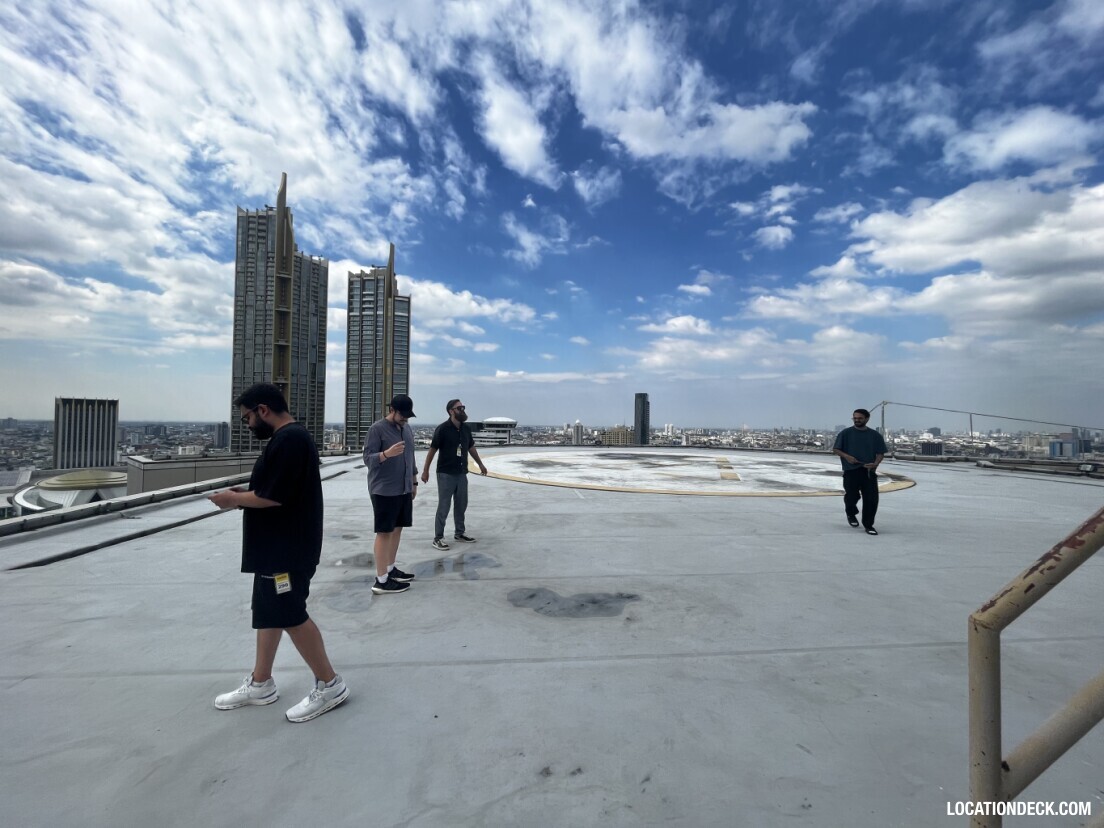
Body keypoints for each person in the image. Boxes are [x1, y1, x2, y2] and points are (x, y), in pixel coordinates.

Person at [209, 383, 349, 723]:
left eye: (246, 418)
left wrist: (233, 500)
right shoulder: (288, 440)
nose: (247, 425)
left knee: (289, 613)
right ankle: (261, 682)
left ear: (263, 410)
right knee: (268, 611)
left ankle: (329, 684)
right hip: (275, 548)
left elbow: (276, 498)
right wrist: (248, 492)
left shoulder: (290, 441)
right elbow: (276, 489)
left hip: (288, 548)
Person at [364, 394, 419, 594]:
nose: (405, 419)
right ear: (392, 410)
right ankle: (381, 580)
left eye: (408, 416)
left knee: (397, 529)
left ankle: (390, 569)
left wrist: (414, 482)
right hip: (384, 490)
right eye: (402, 415)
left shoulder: (407, 429)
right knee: (384, 532)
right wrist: (386, 454)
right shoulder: (376, 429)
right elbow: (367, 459)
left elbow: (410, 456)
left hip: (403, 488)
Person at [421, 398, 488, 551]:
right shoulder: (442, 429)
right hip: (445, 473)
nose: (462, 410)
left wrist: (480, 464)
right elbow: (432, 450)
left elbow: (471, 447)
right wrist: (425, 471)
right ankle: (438, 538)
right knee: (444, 506)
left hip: (461, 473)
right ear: (451, 411)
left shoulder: (465, 429)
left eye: (463, 407)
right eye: (459, 408)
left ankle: (459, 533)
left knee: (461, 504)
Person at [833, 408, 888, 536]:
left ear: (867, 419)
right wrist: (847, 457)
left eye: (860, 418)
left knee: (871, 499)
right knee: (852, 496)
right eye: (855, 418)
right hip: (851, 471)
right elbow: (836, 449)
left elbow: (880, 453)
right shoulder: (846, 433)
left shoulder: (875, 435)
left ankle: (868, 525)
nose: (857, 420)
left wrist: (875, 463)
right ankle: (851, 512)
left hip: (868, 471)